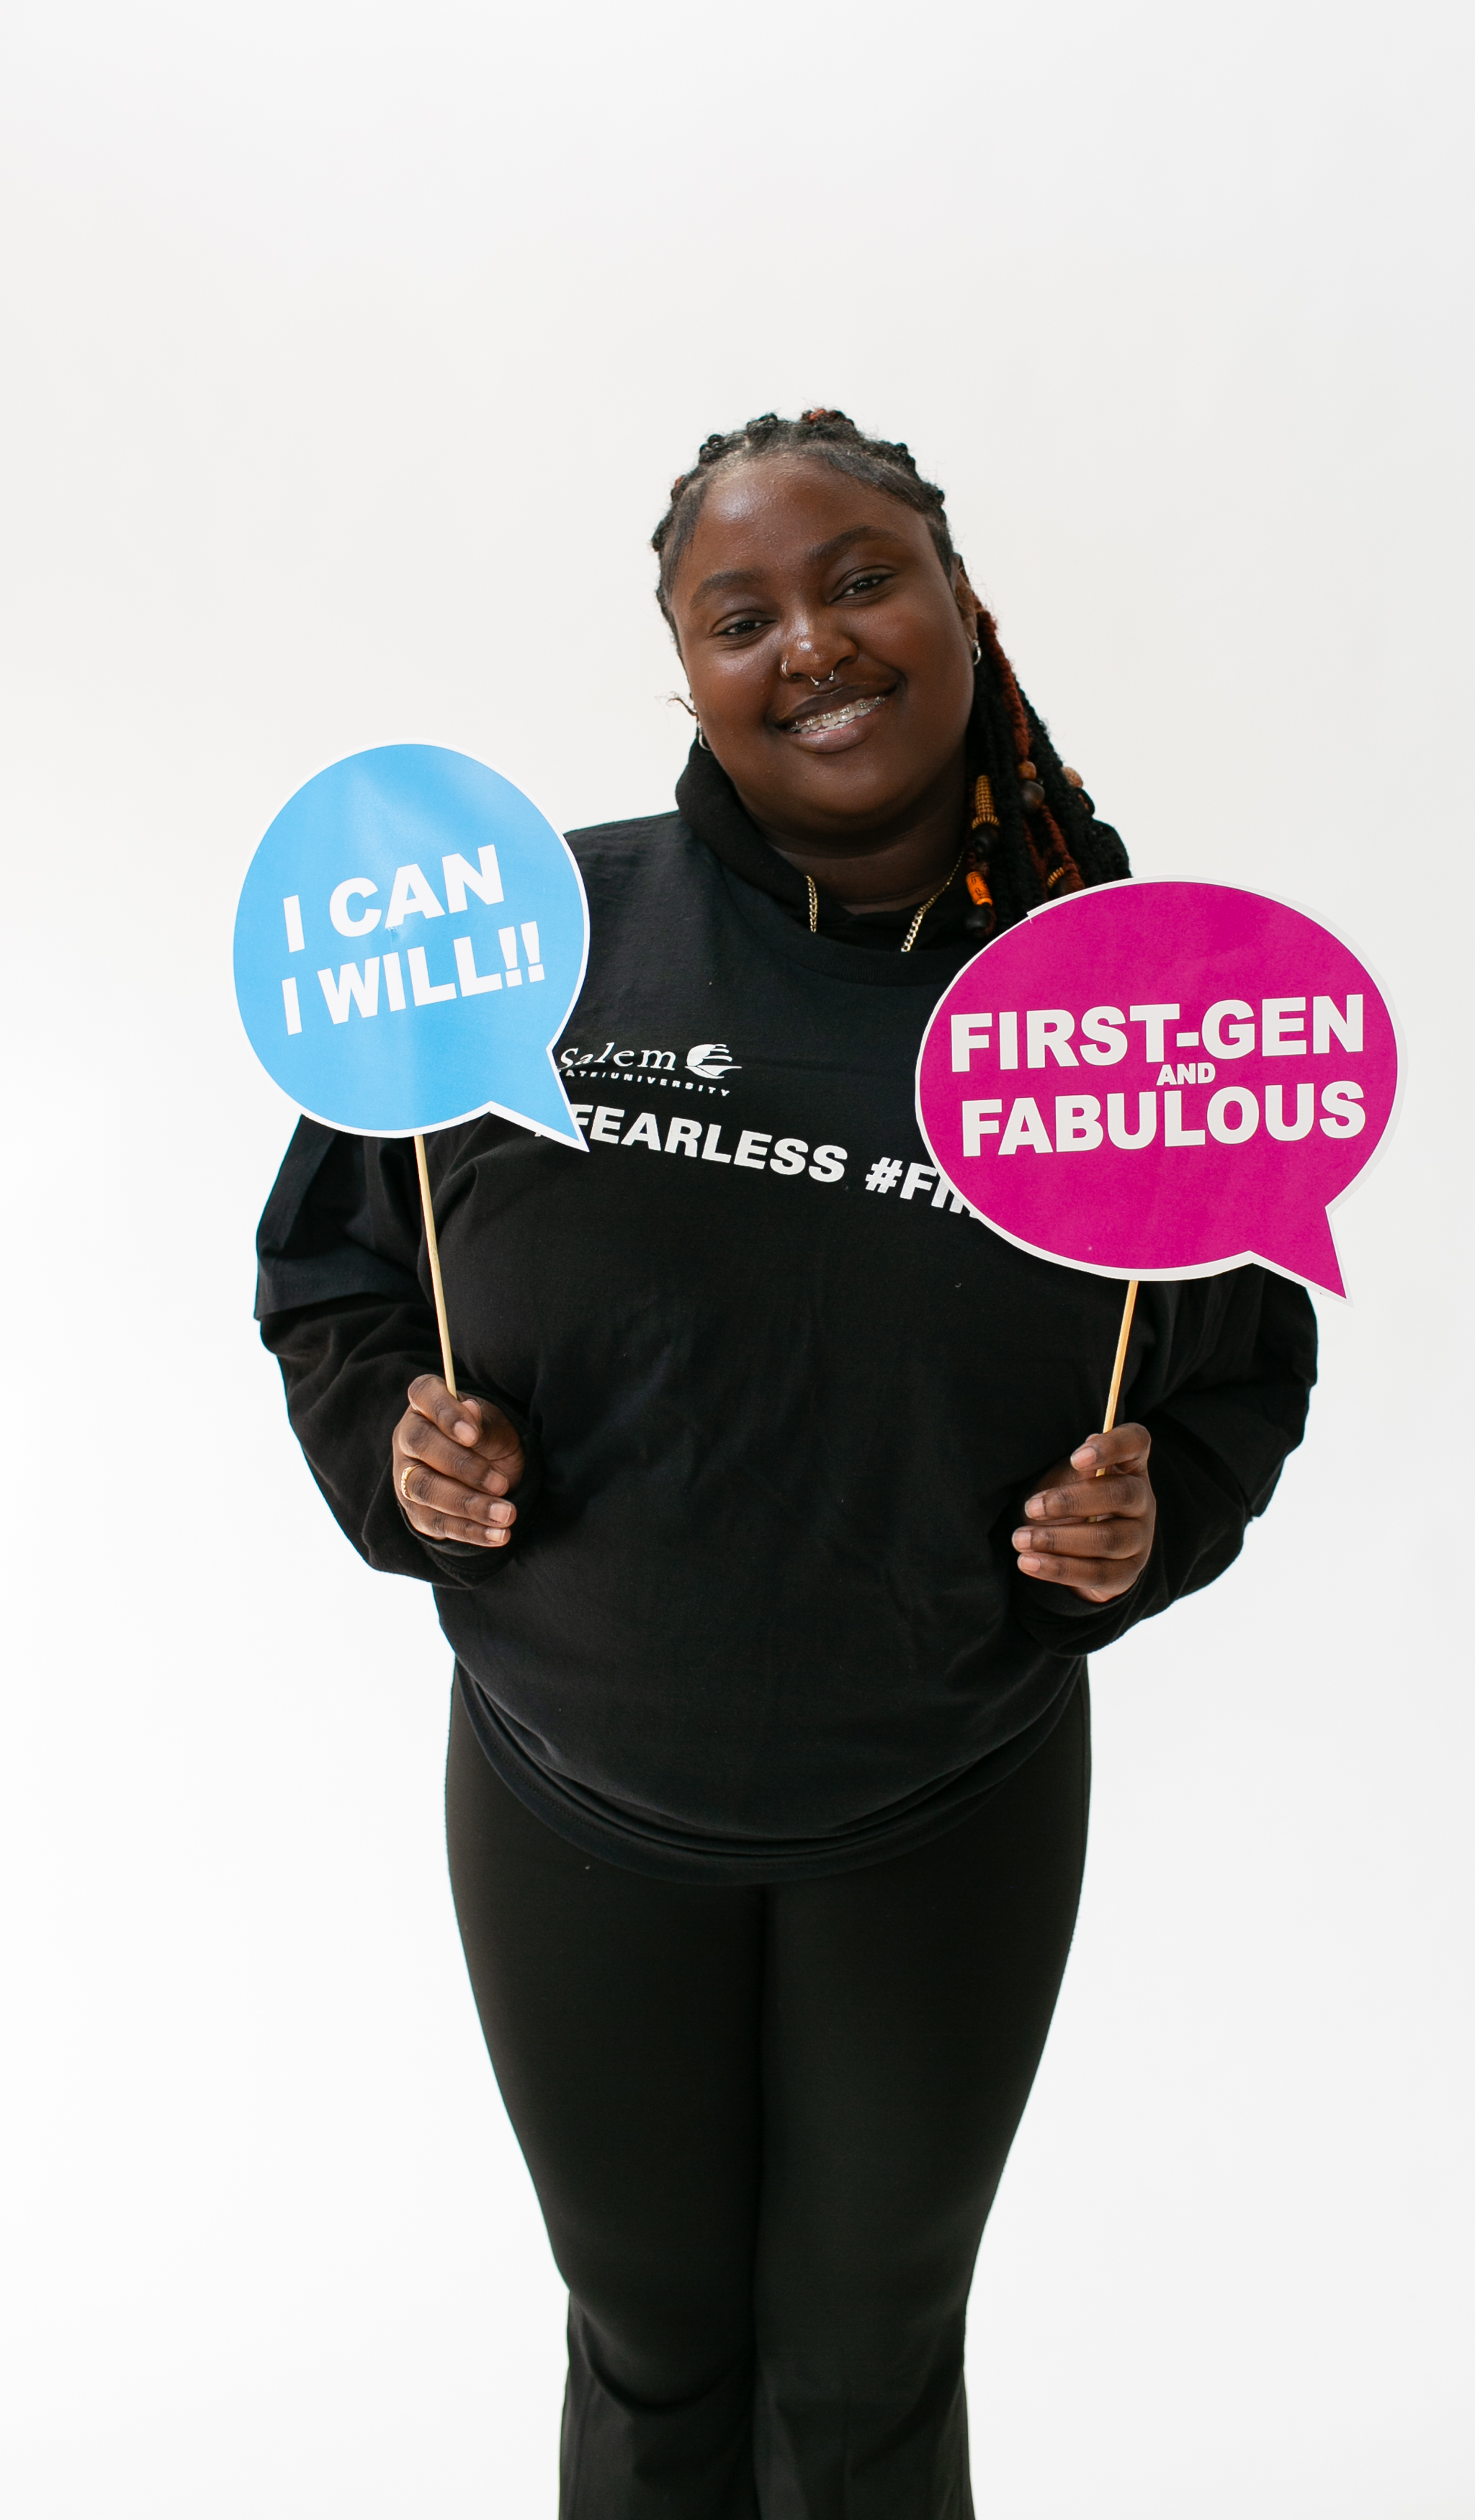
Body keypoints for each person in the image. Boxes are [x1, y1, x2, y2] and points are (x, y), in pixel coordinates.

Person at [256, 408, 1317, 2517]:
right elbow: (336, 1277)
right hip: (575, 1802)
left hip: (941, 1803)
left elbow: (1238, 1370)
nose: (811, 642)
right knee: (652, 2349)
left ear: (956, 602)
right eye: (741, 615)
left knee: (863, 2366)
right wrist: (395, 1442)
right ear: (688, 670)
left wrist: (1156, 1517)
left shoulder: (1122, 997)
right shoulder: (527, 940)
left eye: (857, 579)